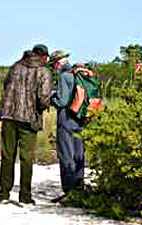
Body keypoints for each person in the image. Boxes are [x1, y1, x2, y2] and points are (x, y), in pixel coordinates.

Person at [0, 44, 52, 204]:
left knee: (7, 155)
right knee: (26, 157)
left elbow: (6, 86)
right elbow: (43, 99)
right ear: (44, 57)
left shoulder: (15, 66)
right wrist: (42, 108)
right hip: (28, 119)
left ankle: (3, 193)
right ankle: (25, 195)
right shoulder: (43, 71)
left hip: (8, 115)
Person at [49, 50, 85, 203]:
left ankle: (69, 193)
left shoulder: (64, 76)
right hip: (79, 120)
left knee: (66, 156)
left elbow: (62, 101)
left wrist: (51, 99)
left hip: (66, 120)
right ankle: (79, 191)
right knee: (79, 155)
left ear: (57, 63)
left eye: (54, 64)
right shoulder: (78, 73)